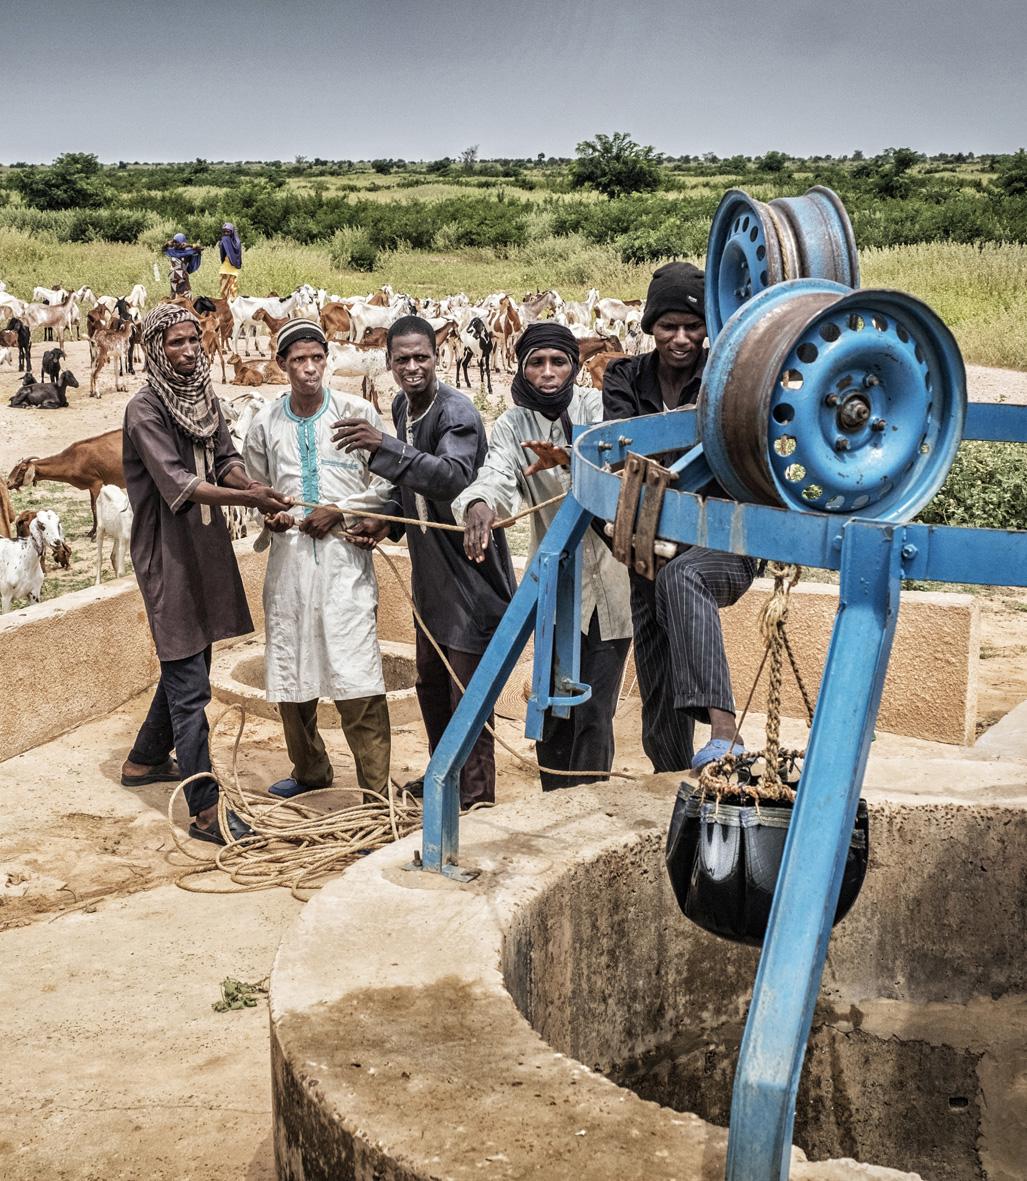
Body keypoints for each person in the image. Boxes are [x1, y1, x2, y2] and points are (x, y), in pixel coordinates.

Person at [120, 303, 292, 844]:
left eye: (194, 340)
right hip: (167, 554)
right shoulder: (144, 408)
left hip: (206, 547)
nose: (189, 350)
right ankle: (203, 810)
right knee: (189, 681)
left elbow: (223, 458)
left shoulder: (203, 399)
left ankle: (144, 762)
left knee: (190, 657)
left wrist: (250, 483)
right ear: (155, 349)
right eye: (175, 343)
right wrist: (246, 495)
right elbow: (179, 484)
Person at [332, 315, 516, 810]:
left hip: (471, 573)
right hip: (431, 570)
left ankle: (476, 800)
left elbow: (453, 478)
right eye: (403, 359)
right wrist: (386, 521)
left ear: (438, 357)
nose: (413, 368)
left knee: (466, 693)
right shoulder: (401, 405)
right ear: (388, 363)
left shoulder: (456, 412)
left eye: (422, 358)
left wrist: (382, 446)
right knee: (431, 684)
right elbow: (414, 490)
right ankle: (444, 780)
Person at [453, 322, 632, 790]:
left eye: (558, 362)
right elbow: (496, 475)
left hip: (613, 583)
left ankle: (588, 810)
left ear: (574, 366)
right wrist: (479, 505)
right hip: (555, 583)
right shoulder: (513, 424)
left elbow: (621, 472)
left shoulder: (596, 407)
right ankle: (553, 799)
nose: (548, 372)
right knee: (551, 704)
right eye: (537, 362)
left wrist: (572, 459)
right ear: (523, 368)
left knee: (595, 709)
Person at [602, 261, 756, 773]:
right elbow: (619, 446)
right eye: (669, 326)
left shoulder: (725, 376)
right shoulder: (625, 376)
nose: (682, 338)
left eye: (693, 326)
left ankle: (724, 732)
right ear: (650, 328)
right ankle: (672, 781)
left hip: (722, 542)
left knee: (685, 576)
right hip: (646, 547)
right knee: (657, 683)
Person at [242, 319, 397, 803]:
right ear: (281, 364)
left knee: (358, 675)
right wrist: (273, 517)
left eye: (317, 359)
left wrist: (342, 511)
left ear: (327, 360)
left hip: (345, 567)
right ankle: (310, 770)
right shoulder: (266, 423)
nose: (309, 370)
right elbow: (256, 490)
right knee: (290, 672)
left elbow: (388, 483)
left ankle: (375, 791)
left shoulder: (357, 411)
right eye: (298, 361)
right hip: (289, 570)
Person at [163, 232, 202, 298]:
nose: (175, 244)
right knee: (174, 297)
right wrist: (169, 243)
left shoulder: (188, 251)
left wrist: (189, 245)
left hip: (183, 278)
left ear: (182, 242)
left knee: (185, 297)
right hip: (174, 278)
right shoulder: (172, 251)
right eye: (174, 242)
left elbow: (200, 248)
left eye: (177, 242)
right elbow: (163, 249)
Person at [218, 222, 243, 301]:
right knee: (225, 296)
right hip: (225, 271)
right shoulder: (236, 242)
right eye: (224, 232)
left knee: (231, 296)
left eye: (228, 232)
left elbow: (222, 256)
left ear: (232, 232)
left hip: (231, 271)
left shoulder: (225, 241)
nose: (226, 234)